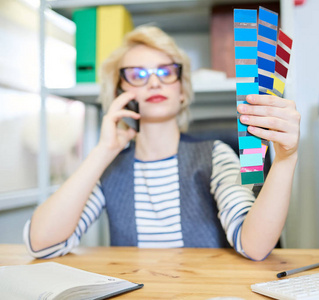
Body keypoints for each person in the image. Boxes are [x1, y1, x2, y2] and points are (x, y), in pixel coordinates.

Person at [23, 25, 300, 261]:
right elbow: (41, 243)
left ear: (182, 91)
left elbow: (254, 246)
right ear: (120, 93)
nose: (154, 82)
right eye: (138, 75)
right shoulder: (108, 168)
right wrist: (102, 153)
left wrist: (286, 159)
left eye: (166, 72)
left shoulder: (215, 155)